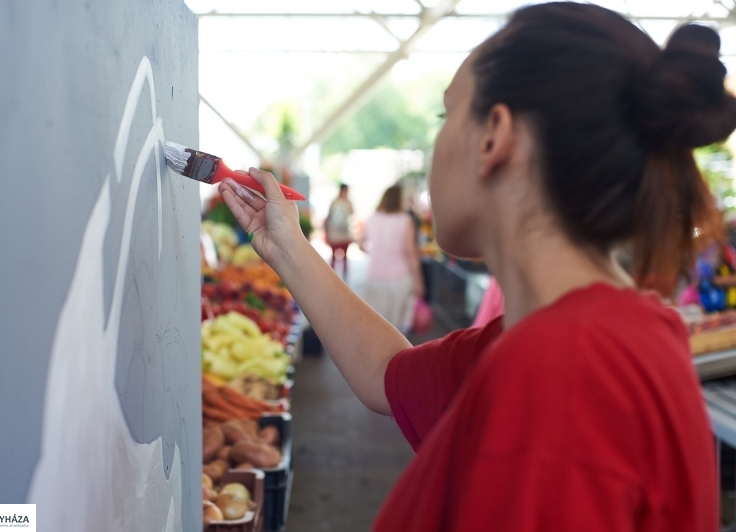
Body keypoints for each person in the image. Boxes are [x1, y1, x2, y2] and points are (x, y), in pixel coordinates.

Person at [218, 4, 735, 530]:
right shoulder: (580, 343)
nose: (437, 144)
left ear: (494, 137)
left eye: (446, 116)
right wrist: (285, 244)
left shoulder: (562, 376)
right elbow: (386, 375)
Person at [360, 184, 425, 332]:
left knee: (375, 322)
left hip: (375, 275)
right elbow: (410, 251)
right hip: (400, 276)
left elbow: (361, 245)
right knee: (396, 326)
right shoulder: (405, 220)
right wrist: (419, 281)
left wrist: (376, 253)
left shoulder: (372, 219)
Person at [324, 183, 353, 276]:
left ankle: (344, 274)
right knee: (334, 256)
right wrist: (327, 232)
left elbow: (352, 212)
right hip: (335, 232)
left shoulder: (348, 202)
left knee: (345, 257)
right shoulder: (335, 202)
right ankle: (332, 275)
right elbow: (329, 217)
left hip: (344, 232)